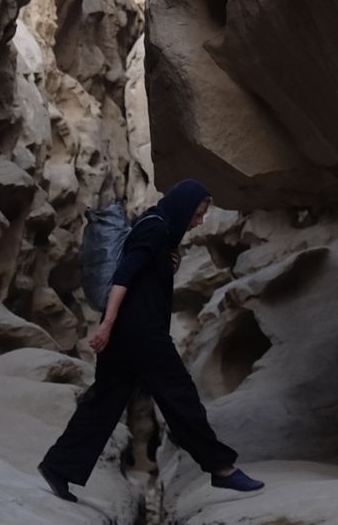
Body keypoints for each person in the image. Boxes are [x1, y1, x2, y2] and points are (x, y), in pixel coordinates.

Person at [40, 179, 264, 498]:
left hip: (127, 336)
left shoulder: (154, 224)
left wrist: (167, 265)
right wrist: (107, 324)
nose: (199, 221)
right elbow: (123, 276)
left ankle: (58, 466)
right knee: (181, 398)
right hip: (140, 334)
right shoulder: (155, 230)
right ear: (184, 207)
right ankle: (221, 469)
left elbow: (145, 275)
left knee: (102, 403)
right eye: (198, 214)